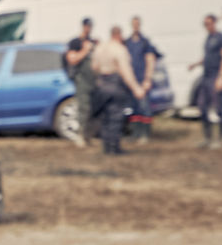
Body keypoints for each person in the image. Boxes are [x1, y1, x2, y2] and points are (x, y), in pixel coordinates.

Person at [89, 26, 147, 155]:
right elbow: (125, 71)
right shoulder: (119, 49)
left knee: (105, 118)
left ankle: (106, 147)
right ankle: (114, 148)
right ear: (119, 35)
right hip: (115, 83)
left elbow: (94, 67)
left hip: (101, 83)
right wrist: (136, 88)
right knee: (115, 117)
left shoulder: (100, 48)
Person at [188, 13, 222, 148]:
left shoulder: (221, 38)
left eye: (208, 23)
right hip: (206, 77)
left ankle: (220, 139)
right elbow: (207, 56)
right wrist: (196, 64)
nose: (206, 26)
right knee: (202, 106)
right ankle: (208, 138)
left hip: (216, 76)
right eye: (205, 24)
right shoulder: (208, 38)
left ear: (214, 23)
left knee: (219, 107)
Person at [124, 16, 162, 142]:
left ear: (139, 25)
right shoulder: (127, 42)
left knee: (144, 108)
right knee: (133, 108)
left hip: (142, 80)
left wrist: (148, 79)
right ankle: (135, 134)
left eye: (137, 24)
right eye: (133, 24)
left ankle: (145, 135)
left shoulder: (145, 42)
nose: (135, 26)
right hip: (132, 81)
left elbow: (150, 60)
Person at [64, 17, 97, 146]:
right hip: (81, 80)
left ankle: (88, 136)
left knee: (92, 109)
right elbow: (72, 59)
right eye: (87, 26)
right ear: (83, 26)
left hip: (93, 80)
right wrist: (85, 50)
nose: (88, 28)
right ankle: (80, 135)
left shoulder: (92, 42)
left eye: (90, 26)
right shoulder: (75, 42)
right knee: (83, 108)